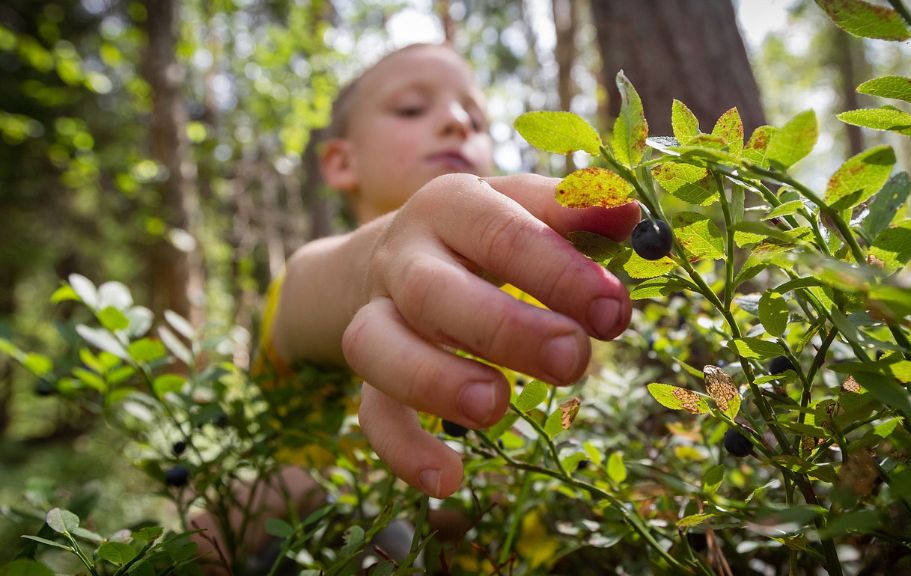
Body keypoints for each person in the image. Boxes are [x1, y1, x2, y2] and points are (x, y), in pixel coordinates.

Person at [196, 41, 639, 571]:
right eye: (411, 108)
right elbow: (320, 287)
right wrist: (380, 263)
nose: (455, 122)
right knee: (248, 512)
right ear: (341, 161)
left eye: (475, 119)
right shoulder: (311, 274)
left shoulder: (537, 302)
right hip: (342, 549)